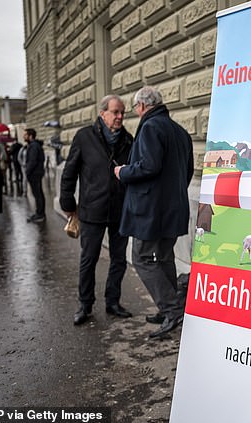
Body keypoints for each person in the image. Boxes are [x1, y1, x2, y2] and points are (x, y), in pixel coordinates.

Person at [114, 86, 194, 339]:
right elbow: (188, 170)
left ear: (141, 106)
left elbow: (149, 166)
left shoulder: (149, 127)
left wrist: (123, 172)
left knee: (142, 257)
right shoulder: (180, 131)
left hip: (151, 210)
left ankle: (172, 309)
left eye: (135, 108)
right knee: (164, 256)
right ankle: (168, 308)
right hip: (174, 206)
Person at [60, 94, 134, 326]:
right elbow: (69, 172)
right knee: (89, 259)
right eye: (116, 112)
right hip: (91, 210)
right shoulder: (84, 137)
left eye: (123, 112)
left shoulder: (128, 140)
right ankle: (85, 304)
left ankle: (113, 302)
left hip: (119, 209)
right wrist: (68, 204)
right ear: (103, 113)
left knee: (119, 259)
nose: (120, 116)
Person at [24, 128, 45, 222]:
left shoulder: (34, 146)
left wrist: (27, 171)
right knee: (38, 194)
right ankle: (39, 213)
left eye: (25, 135)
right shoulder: (34, 145)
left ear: (30, 136)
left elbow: (32, 161)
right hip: (36, 173)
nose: (23, 136)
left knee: (37, 194)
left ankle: (40, 214)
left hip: (35, 174)